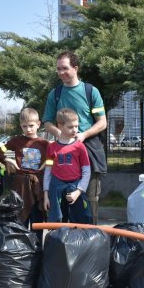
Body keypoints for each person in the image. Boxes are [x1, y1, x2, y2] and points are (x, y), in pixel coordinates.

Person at [42, 51, 107, 223]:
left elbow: (102, 122)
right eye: (58, 69)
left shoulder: (91, 91)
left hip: (88, 150)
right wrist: (60, 135)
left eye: (65, 68)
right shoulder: (54, 94)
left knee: (89, 201)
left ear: (75, 68)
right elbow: (47, 122)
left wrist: (83, 135)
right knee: (62, 206)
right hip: (61, 154)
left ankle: (90, 244)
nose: (61, 73)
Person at [0, 107, 49, 231]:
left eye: (31, 125)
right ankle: (21, 249)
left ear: (38, 124)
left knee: (37, 221)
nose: (28, 129)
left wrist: (47, 163)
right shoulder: (16, 141)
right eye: (24, 126)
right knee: (20, 220)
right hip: (20, 187)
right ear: (21, 126)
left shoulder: (45, 144)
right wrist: (8, 160)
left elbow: (53, 159)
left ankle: (37, 248)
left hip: (37, 186)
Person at [43, 108, 92, 223]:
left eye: (76, 126)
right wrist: (46, 194)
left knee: (81, 221)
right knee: (57, 222)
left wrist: (79, 191)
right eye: (70, 127)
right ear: (59, 126)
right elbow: (48, 171)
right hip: (56, 189)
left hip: (75, 187)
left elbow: (86, 171)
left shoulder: (80, 147)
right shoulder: (51, 147)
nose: (75, 130)